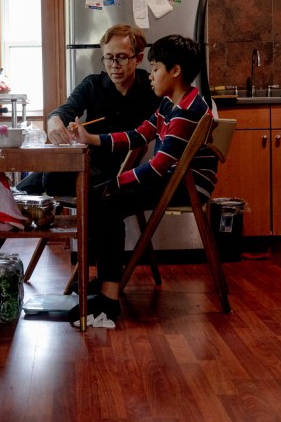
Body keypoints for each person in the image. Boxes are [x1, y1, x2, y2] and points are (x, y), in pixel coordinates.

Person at [67, 34, 219, 322]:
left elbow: (159, 166)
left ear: (175, 72)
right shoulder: (169, 104)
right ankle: (106, 281)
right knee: (100, 197)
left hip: (187, 185)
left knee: (105, 200)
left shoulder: (187, 111)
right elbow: (138, 135)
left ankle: (108, 299)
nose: (149, 76)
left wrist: (117, 182)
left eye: (155, 69)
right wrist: (91, 138)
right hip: (176, 177)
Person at [16, 24, 160, 196]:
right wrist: (54, 120)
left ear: (138, 58)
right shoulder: (93, 84)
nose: (114, 65)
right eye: (108, 57)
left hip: (121, 168)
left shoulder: (151, 87)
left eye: (121, 57)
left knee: (51, 180)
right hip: (85, 160)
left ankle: (98, 221)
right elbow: (66, 110)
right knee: (22, 190)